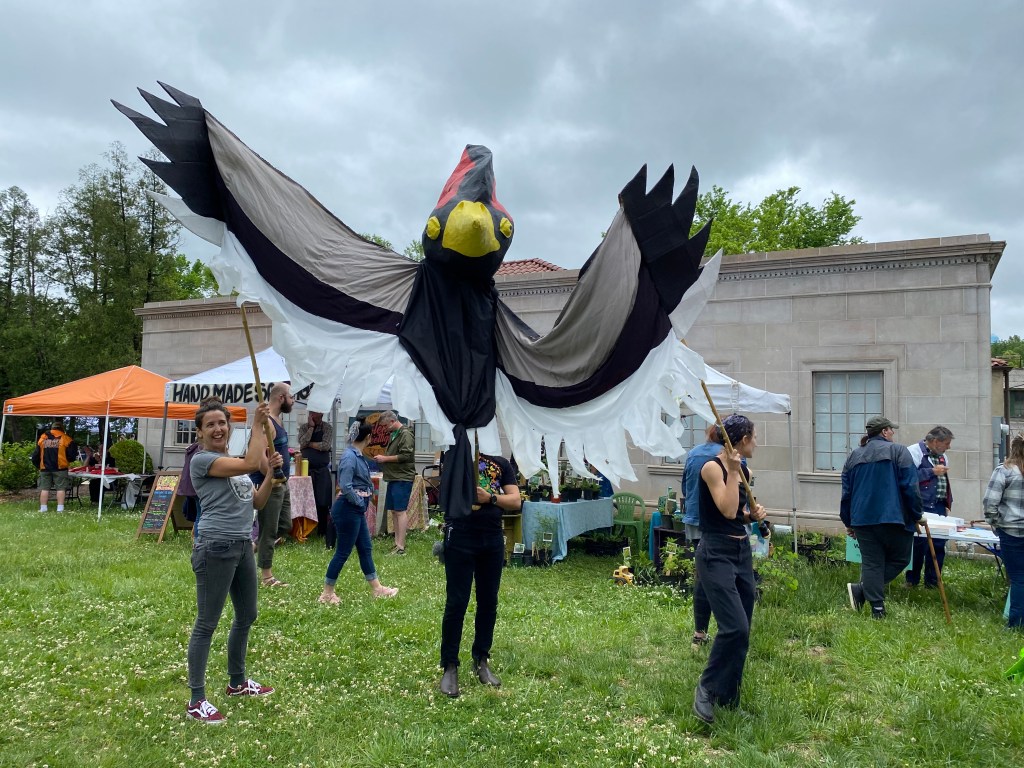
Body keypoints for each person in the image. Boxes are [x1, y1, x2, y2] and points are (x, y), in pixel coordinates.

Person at [186, 398, 283, 724]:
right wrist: (258, 424)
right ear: (200, 432)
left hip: (242, 545)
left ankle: (237, 683)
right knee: (207, 623)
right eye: (210, 424)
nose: (217, 428)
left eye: (222, 423)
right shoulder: (202, 461)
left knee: (247, 614)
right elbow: (248, 463)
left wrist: (271, 474)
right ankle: (196, 700)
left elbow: (255, 501)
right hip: (215, 547)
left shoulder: (232, 462)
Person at [691, 414, 767, 725]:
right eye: (754, 436)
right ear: (741, 440)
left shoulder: (742, 469)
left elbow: (735, 514)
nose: (757, 442)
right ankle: (707, 689)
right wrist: (733, 472)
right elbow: (724, 507)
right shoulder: (712, 468)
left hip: (740, 551)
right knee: (733, 627)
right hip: (715, 553)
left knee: (743, 630)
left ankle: (730, 697)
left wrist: (753, 516)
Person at [439, 452, 521, 698]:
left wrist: (490, 498)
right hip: (461, 535)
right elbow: (450, 493)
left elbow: (515, 500)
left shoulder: (502, 463)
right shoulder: (454, 454)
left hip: (492, 538)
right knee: (457, 602)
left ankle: (482, 660)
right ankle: (450, 666)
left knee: (488, 602)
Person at [841, 416, 922, 620]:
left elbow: (846, 493)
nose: (893, 433)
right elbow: (911, 486)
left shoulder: (853, 457)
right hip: (895, 518)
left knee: (872, 563)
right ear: (884, 432)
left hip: (863, 519)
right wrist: (917, 515)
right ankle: (867, 596)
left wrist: (848, 521)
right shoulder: (899, 451)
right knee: (901, 559)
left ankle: (875, 606)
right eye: (891, 430)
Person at [318, 421, 398, 604]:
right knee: (343, 552)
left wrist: (360, 503)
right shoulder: (350, 457)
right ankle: (326, 593)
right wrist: (360, 502)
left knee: (365, 548)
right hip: (348, 509)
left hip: (354, 509)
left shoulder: (355, 455)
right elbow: (345, 486)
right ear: (368, 437)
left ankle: (377, 589)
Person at [683, 425, 724, 651]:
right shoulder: (731, 458)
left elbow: (685, 487)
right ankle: (728, 628)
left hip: (695, 519)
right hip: (721, 524)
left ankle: (699, 633)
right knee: (724, 575)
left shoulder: (693, 453)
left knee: (702, 575)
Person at [251, 382, 294, 587]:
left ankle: (251, 547)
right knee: (268, 531)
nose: (293, 401)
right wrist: (271, 476)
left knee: (285, 525)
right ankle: (267, 577)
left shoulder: (277, 420)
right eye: (291, 397)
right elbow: (259, 459)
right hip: (272, 484)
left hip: (283, 483)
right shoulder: (266, 423)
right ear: (281, 398)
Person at [983, 433, 1024, 630]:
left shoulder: (1005, 471)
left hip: (1012, 531)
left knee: (1018, 578)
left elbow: (990, 503)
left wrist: (996, 523)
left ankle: (1015, 623)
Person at [905, 426, 954, 589]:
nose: (948, 447)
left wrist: (947, 502)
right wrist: (932, 471)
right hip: (922, 505)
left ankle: (933, 582)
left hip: (939, 506)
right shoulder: (913, 452)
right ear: (934, 441)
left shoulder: (943, 457)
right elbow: (908, 478)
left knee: (939, 544)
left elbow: (944, 482)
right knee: (919, 544)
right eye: (946, 443)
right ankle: (912, 580)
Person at [375, 411, 416, 555]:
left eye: (385, 426)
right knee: (394, 511)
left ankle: (401, 546)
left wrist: (385, 459)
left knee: (400, 511)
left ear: (392, 422)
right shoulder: (394, 434)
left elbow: (406, 455)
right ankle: (397, 543)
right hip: (393, 477)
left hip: (402, 477)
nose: (384, 429)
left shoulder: (405, 434)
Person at [298, 410, 335, 548]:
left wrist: (310, 444)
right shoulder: (304, 428)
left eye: (315, 414)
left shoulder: (327, 428)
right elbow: (302, 443)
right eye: (311, 413)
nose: (312, 416)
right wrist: (311, 428)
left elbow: (325, 446)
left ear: (321, 414)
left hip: (322, 470)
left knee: (322, 500)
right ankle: (306, 529)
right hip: (306, 469)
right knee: (306, 499)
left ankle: (322, 530)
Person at [31, 421, 78, 513]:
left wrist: (39, 465)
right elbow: (72, 455)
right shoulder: (66, 438)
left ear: (52, 428)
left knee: (44, 488)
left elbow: (35, 455)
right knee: (61, 488)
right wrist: (67, 460)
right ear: (62, 429)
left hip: (44, 468)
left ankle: (43, 508)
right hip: (60, 468)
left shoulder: (43, 438)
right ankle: (60, 509)